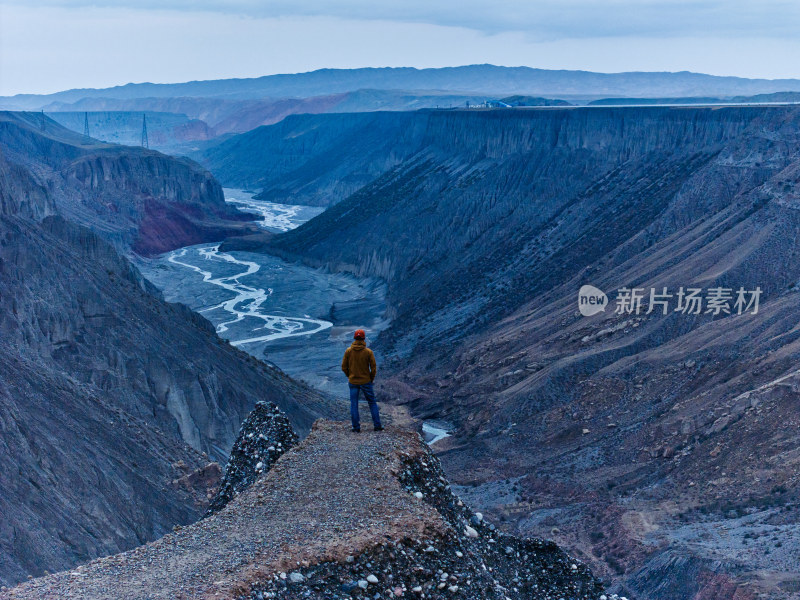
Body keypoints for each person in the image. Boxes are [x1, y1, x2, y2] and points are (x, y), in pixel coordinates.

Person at [341, 329, 383, 432]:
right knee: (372, 403)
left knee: (354, 404)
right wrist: (370, 379)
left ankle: (356, 427)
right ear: (364, 338)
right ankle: (377, 426)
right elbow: (373, 368)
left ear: (354, 338)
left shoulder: (348, 351)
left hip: (353, 382)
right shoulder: (368, 352)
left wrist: (350, 376)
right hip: (365, 381)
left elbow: (343, 367)